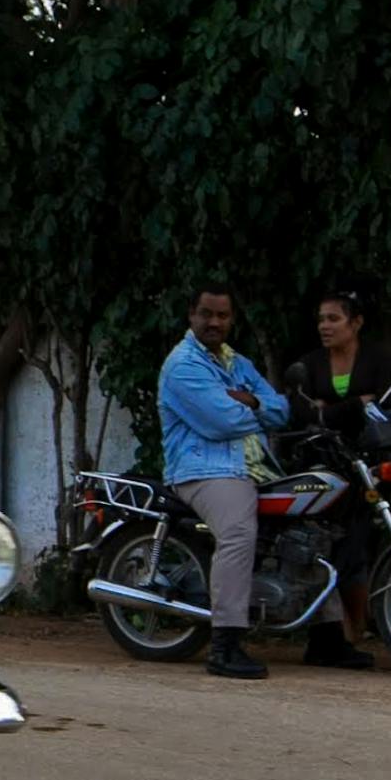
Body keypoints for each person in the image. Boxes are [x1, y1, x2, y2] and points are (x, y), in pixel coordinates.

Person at [159, 283, 290, 681]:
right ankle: (225, 643)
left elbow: (281, 409)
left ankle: (328, 635)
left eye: (222, 315)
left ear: (231, 319)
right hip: (205, 470)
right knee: (237, 533)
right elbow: (222, 422)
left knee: (308, 522)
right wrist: (254, 406)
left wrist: (250, 400)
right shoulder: (183, 365)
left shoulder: (238, 364)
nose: (214, 322)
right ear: (191, 315)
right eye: (207, 314)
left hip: (253, 468)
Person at [298, 291, 391, 669]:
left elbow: (382, 406)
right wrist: (355, 404)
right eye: (321, 318)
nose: (325, 326)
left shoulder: (379, 360)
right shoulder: (309, 364)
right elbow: (307, 414)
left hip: (369, 465)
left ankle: (351, 633)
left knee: (357, 548)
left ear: (355, 323)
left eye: (334, 319)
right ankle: (326, 636)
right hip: (323, 466)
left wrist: (333, 410)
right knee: (323, 546)